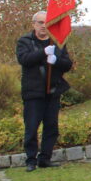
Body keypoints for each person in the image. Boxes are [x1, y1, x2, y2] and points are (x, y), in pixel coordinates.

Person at [16, 11, 74, 172]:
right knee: (32, 127)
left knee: (51, 127)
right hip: (33, 92)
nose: (43, 26)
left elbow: (68, 64)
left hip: (52, 91)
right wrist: (43, 53)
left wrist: (56, 61)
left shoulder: (57, 42)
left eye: (46, 23)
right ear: (34, 24)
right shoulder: (25, 41)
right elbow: (24, 59)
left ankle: (45, 158)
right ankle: (31, 160)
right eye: (40, 23)